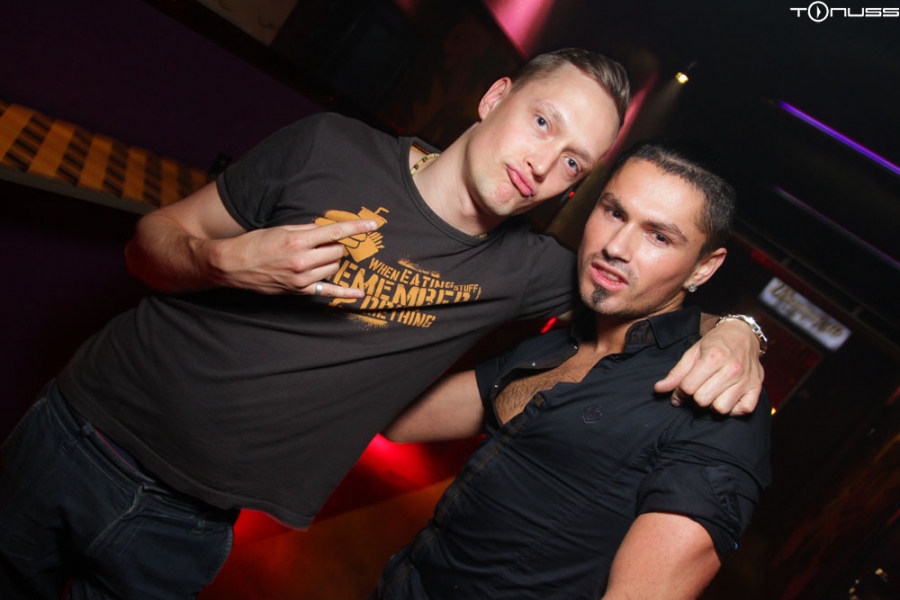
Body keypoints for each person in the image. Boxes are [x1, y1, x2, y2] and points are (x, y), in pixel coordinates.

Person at [0, 49, 764, 598]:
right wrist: (224, 262)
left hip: (188, 524)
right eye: (541, 121)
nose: (544, 164)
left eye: (573, 162)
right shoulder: (328, 147)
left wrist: (739, 330)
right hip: (73, 434)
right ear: (495, 97)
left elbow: (644, 289)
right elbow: (146, 248)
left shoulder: (534, 268)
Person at [376, 139, 772, 599]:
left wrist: (742, 329)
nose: (616, 247)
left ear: (703, 268)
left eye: (659, 237)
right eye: (614, 212)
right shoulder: (563, 338)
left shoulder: (718, 394)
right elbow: (401, 419)